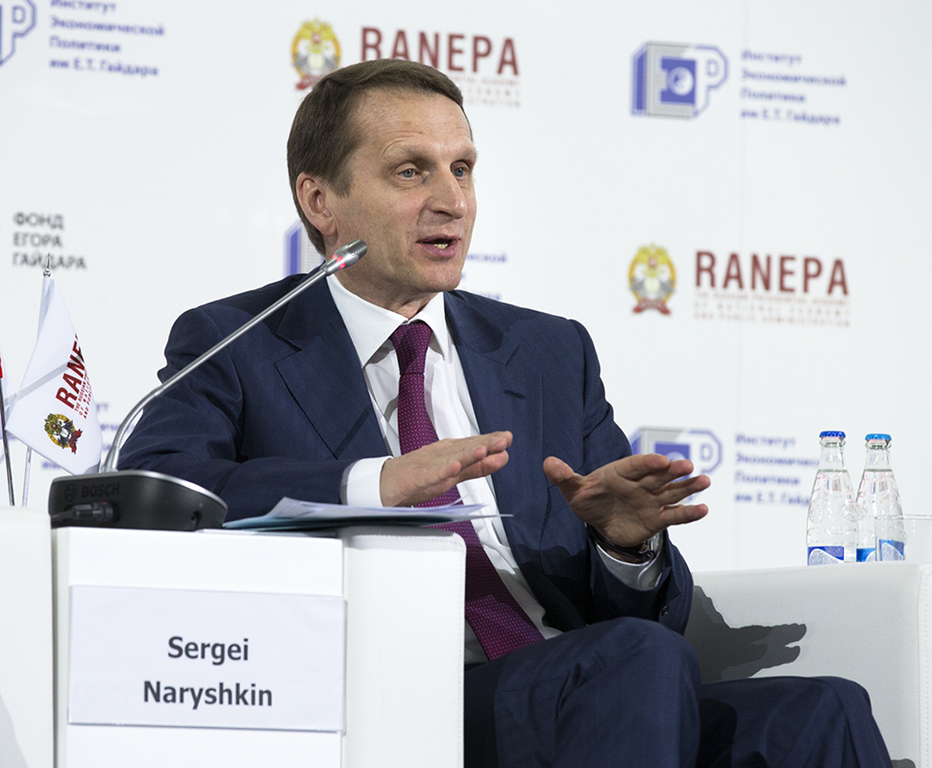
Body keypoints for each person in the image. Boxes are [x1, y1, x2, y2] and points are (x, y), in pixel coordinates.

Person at [120, 59, 892, 767]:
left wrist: (624, 547)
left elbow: (645, 614)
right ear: (320, 200)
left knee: (824, 710)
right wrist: (374, 484)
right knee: (635, 661)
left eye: (462, 169)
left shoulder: (547, 351)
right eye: (410, 171)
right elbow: (156, 487)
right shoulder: (239, 341)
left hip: (587, 687)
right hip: (388, 696)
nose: (451, 200)